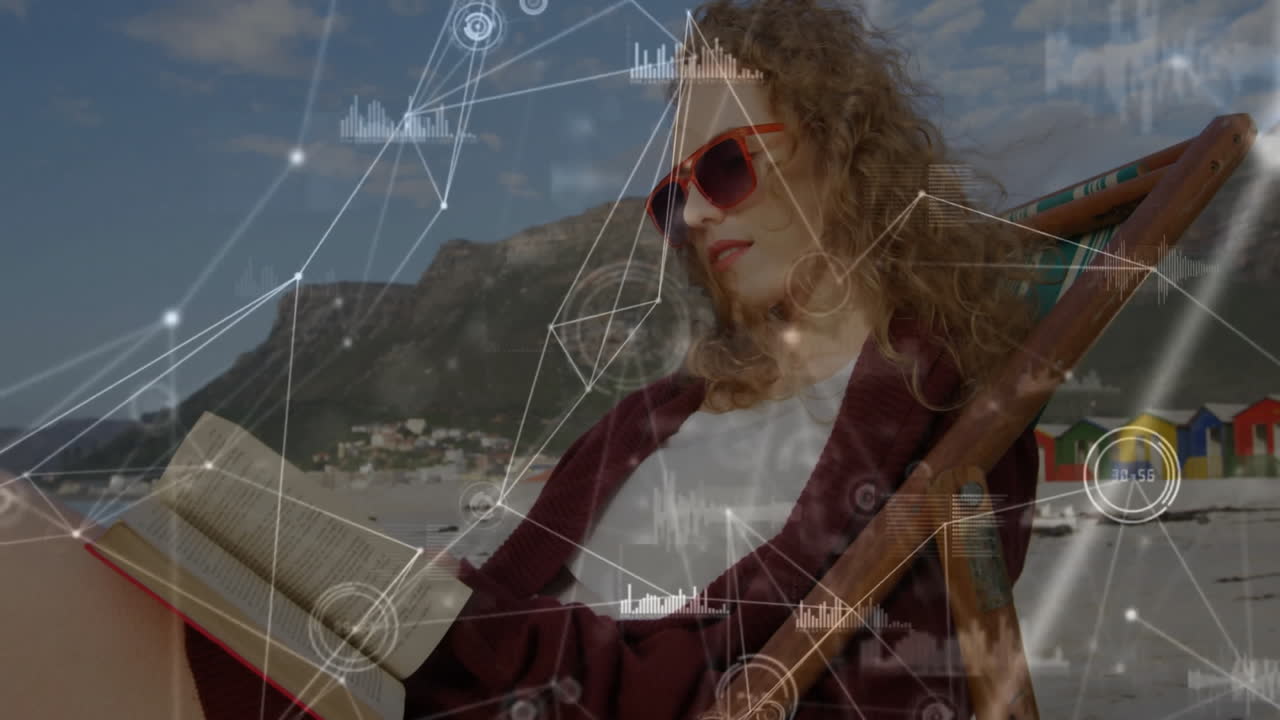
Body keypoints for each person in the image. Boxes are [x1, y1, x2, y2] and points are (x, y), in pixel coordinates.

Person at [0, 1, 1051, 718]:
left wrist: (469, 625)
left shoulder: (935, 421)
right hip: (438, 678)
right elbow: (512, 589)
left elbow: (860, 685)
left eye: (726, 166)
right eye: (669, 191)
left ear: (841, 146)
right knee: (33, 532)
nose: (689, 214)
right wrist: (420, 597)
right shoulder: (658, 415)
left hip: (516, 694)